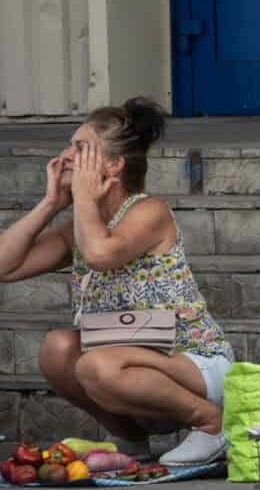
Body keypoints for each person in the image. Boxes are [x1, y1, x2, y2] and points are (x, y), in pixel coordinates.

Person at [0, 98, 234, 466]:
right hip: (125, 364)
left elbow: (100, 253)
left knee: (97, 366)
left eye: (80, 148)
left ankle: (210, 425)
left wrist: (81, 199)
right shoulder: (79, 228)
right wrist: (49, 203)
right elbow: (5, 267)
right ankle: (131, 439)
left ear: (113, 166)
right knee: (57, 349)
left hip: (192, 364)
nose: (66, 156)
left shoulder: (148, 212)